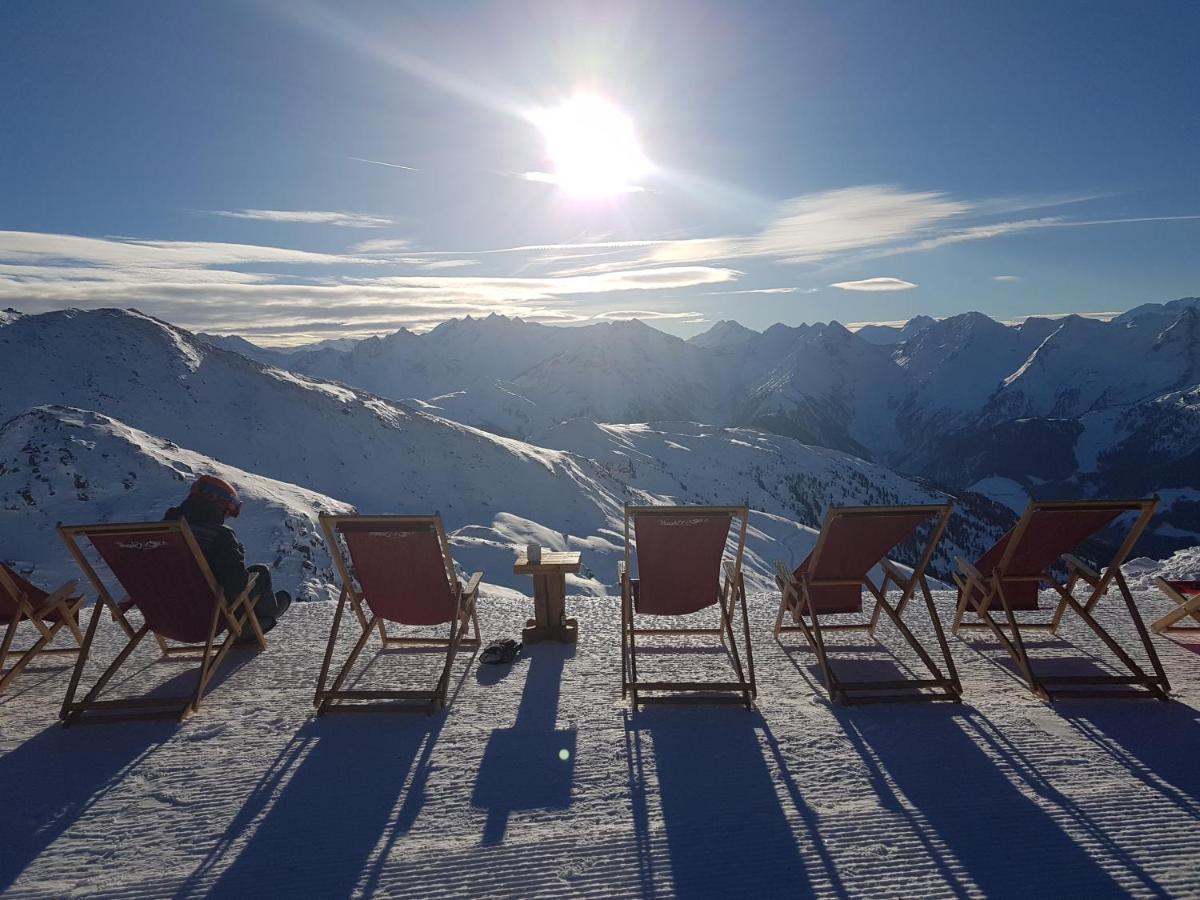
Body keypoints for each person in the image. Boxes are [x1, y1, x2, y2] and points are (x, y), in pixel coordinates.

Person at [164, 475, 291, 639]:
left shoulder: (159, 532)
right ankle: (263, 618)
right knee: (260, 572)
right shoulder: (220, 536)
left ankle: (255, 623)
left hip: (164, 617)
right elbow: (236, 587)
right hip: (205, 620)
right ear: (218, 503)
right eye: (227, 512)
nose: (225, 517)